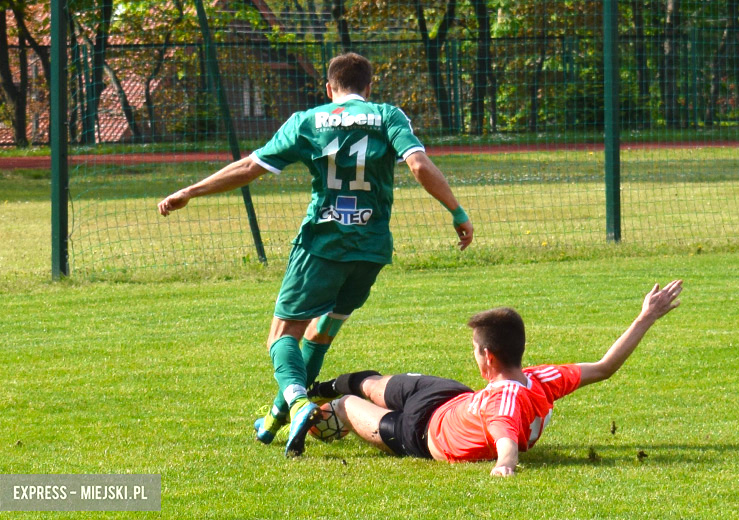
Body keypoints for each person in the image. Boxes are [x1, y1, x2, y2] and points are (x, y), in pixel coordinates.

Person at [157, 52, 473, 457]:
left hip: (322, 246)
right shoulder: (388, 115)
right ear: (369, 87)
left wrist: (189, 191)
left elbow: (250, 167)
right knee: (320, 333)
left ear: (329, 88)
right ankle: (276, 416)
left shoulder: (307, 121)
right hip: (371, 249)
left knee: (281, 335)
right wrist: (457, 211)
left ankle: (299, 401)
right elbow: (418, 165)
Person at [309, 280, 683, 475]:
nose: (473, 355)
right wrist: (645, 317)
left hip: (420, 433)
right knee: (369, 384)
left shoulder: (505, 402)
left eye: (474, 350)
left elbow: (507, 444)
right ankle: (318, 388)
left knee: (348, 405)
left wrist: (505, 467)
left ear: (488, 356)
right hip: (448, 396)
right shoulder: (542, 378)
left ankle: (324, 404)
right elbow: (604, 367)